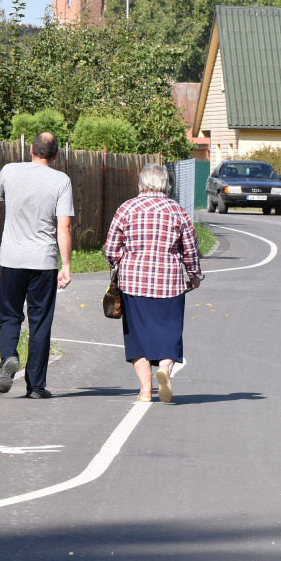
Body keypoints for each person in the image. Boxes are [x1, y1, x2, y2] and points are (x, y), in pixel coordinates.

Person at [104, 162, 203, 403]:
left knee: (136, 338)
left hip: (133, 284)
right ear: (166, 184)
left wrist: (118, 261)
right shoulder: (178, 211)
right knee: (170, 335)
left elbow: (110, 249)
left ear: (141, 183)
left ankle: (146, 391)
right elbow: (190, 249)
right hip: (169, 283)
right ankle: (165, 370)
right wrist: (194, 275)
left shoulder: (126, 208)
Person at [0, 131, 73, 399]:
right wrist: (66, 264)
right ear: (56, 155)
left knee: (10, 315)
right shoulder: (61, 180)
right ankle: (35, 386)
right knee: (40, 322)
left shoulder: (10, 171)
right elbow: (64, 225)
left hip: (11, 260)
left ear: (31, 151)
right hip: (43, 262)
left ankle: (9, 357)